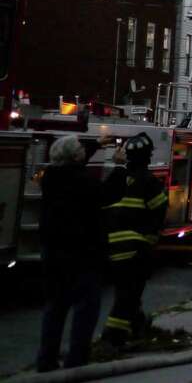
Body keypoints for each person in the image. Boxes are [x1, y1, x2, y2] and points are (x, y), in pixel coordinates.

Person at [36, 135, 120, 372]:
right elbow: (109, 194)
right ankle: (77, 362)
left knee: (55, 308)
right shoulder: (84, 183)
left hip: (53, 254)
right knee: (86, 308)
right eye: (81, 150)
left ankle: (46, 361)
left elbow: (74, 163)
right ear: (75, 156)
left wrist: (97, 144)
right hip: (84, 254)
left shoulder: (51, 178)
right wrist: (120, 165)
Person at [101, 132, 167, 346]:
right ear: (148, 157)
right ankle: (113, 338)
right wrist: (149, 242)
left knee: (127, 293)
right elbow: (159, 213)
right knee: (127, 297)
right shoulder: (149, 182)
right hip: (135, 249)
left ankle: (138, 326)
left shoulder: (116, 179)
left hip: (111, 248)